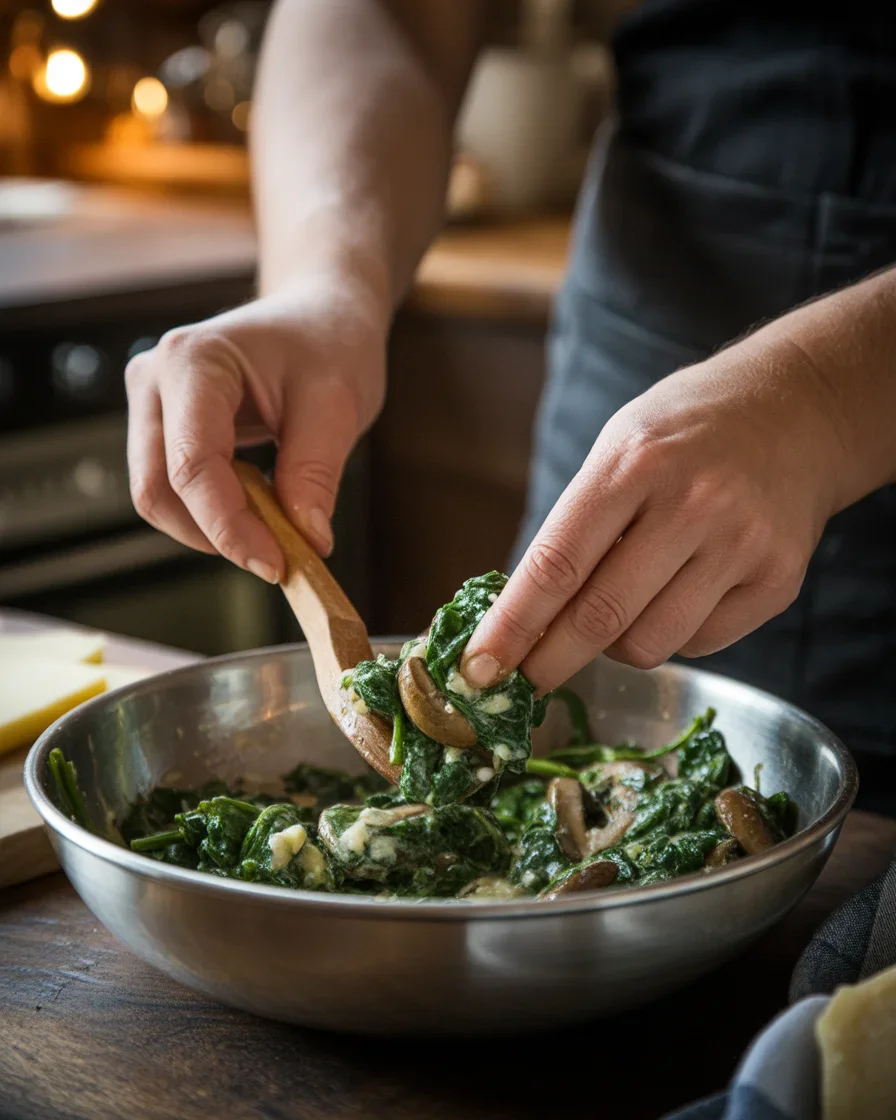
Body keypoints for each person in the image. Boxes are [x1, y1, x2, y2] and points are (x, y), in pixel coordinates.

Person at [125, 1, 896, 809]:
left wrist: (826, 398)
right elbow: (392, 16)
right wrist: (326, 283)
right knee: (559, 698)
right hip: (648, 350)